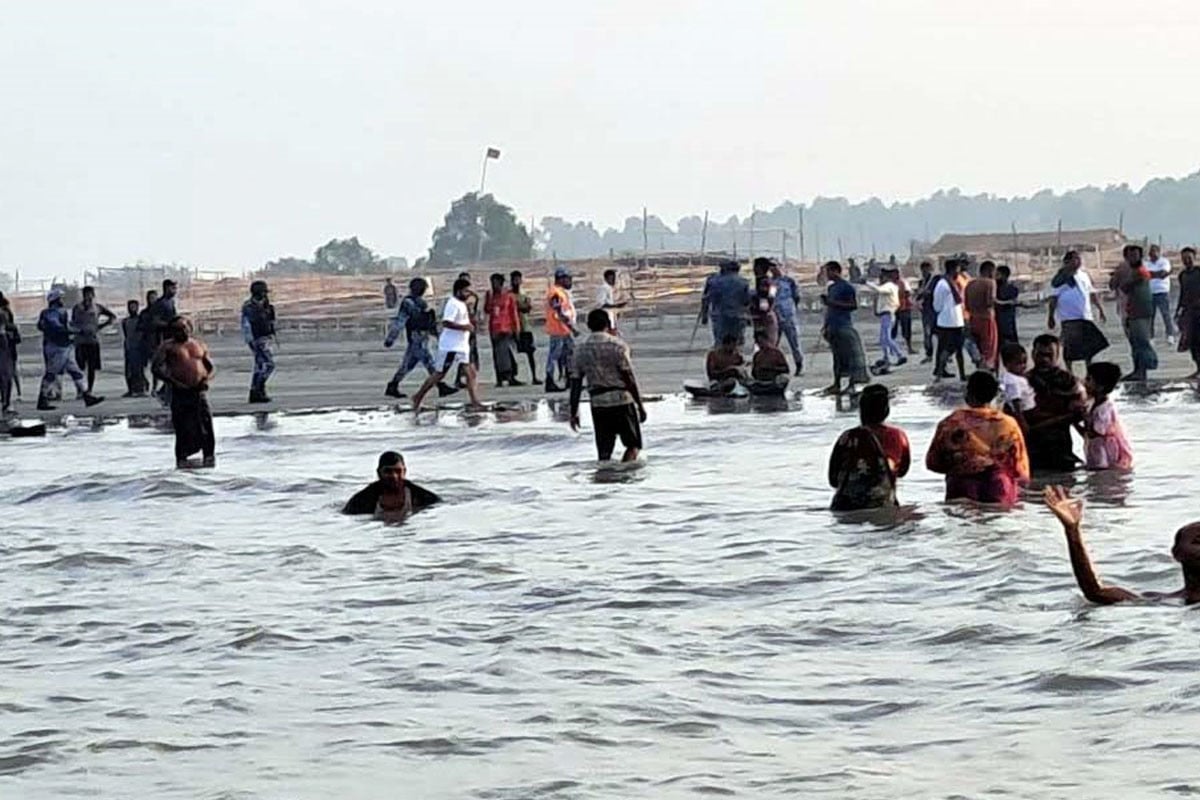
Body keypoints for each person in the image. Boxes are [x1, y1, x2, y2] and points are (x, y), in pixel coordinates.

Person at [1042, 485, 1200, 605]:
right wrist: (1072, 531)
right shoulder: (1159, 600)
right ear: (1176, 554)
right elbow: (1095, 592)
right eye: (1198, 541)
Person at [925, 371, 1030, 506]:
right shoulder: (1008, 424)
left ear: (968, 393)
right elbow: (1020, 470)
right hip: (999, 487)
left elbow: (933, 462)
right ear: (993, 395)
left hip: (961, 487)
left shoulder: (951, 423)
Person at [568, 308, 647, 462]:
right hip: (621, 400)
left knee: (604, 452)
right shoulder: (618, 345)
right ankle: (625, 474)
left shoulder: (580, 349)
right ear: (608, 324)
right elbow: (628, 377)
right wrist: (640, 404)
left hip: (598, 402)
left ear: (588, 325)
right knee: (633, 445)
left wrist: (573, 412)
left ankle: (605, 478)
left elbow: (575, 382)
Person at [827, 384, 911, 511]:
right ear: (886, 410)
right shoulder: (898, 437)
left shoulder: (847, 437)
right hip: (882, 506)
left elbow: (833, 479)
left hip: (845, 507)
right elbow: (902, 471)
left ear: (861, 410)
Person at [411, 278, 483, 413]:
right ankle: (418, 396)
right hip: (451, 346)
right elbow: (447, 323)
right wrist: (465, 327)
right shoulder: (453, 304)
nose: (468, 294)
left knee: (471, 373)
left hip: (461, 345)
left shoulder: (461, 304)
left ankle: (475, 401)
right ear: (459, 291)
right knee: (439, 374)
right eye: (466, 291)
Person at [151, 316, 215, 469]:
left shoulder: (198, 344)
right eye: (178, 329)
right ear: (173, 332)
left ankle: (209, 460)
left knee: (206, 427)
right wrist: (173, 382)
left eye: (185, 328)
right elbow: (156, 368)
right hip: (180, 392)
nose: (183, 332)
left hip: (198, 391)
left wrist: (206, 379)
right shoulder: (167, 347)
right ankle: (182, 462)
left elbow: (211, 367)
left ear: (190, 328)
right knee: (182, 428)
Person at [384, 277, 456, 399]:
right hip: (416, 337)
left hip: (421, 336)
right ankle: (440, 385)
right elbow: (400, 322)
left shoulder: (420, 303)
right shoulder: (409, 303)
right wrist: (391, 338)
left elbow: (428, 321)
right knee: (429, 362)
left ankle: (393, 385)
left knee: (408, 365)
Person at [1024, 334, 1087, 472]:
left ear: (1058, 355)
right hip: (1031, 447)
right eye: (1040, 354)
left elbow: (1080, 412)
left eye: (1049, 355)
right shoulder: (1023, 381)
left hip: (1060, 446)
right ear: (1033, 354)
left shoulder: (1069, 380)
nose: (1044, 359)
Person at [36, 289, 103, 411]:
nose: (62, 300)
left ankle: (86, 396)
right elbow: (57, 327)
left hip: (63, 346)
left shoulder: (50, 313)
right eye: (60, 298)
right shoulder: (53, 313)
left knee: (76, 372)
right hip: (57, 347)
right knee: (51, 373)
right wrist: (75, 331)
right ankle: (42, 398)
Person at [1047, 250, 1109, 371]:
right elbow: (1053, 299)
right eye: (1074, 259)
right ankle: (1069, 371)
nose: (1078, 261)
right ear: (1067, 262)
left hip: (1085, 315)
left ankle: (1089, 369)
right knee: (1070, 347)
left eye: (1079, 259)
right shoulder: (1060, 279)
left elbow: (1092, 294)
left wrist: (1100, 309)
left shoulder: (1084, 275)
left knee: (1089, 346)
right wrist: (1051, 316)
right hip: (1069, 317)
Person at [820, 260, 869, 395]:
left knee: (850, 356)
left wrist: (832, 303)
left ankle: (852, 384)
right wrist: (825, 325)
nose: (827, 274)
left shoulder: (847, 287)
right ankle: (836, 384)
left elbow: (853, 305)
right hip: (833, 326)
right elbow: (829, 309)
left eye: (829, 271)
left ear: (836, 271)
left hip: (844, 325)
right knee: (837, 357)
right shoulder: (831, 288)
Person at [342, 451, 442, 516]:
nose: (394, 476)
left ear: (405, 472)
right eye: (388, 471)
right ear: (379, 473)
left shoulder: (421, 496)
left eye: (398, 471)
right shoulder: (362, 500)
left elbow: (437, 507)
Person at [1077, 361, 1133, 471]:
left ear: (1100, 387)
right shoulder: (1096, 404)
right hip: (1098, 454)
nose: (1084, 382)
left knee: (1101, 480)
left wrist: (1079, 420)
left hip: (1103, 457)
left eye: (1088, 379)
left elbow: (1094, 433)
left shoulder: (1103, 410)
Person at [1116, 244, 1158, 382]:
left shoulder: (1140, 272)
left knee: (1141, 342)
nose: (1134, 257)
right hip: (1132, 312)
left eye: (1136, 255)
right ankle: (1138, 371)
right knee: (1135, 342)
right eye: (1131, 255)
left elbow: (1125, 287)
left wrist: (1122, 278)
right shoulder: (1132, 271)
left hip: (1141, 312)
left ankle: (1142, 370)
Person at [69, 286, 116, 394]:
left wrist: (101, 326)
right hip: (80, 341)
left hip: (93, 340)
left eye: (90, 294)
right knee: (80, 366)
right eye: (86, 294)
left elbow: (112, 316)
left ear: (93, 295)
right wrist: (76, 331)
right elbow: (72, 322)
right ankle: (80, 389)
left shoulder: (97, 308)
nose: (88, 297)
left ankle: (89, 389)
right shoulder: (77, 308)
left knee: (91, 367)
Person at [544, 267, 580, 392]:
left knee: (570, 355)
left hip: (564, 330)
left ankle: (570, 379)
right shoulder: (556, 293)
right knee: (554, 356)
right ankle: (550, 380)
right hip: (558, 330)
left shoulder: (561, 292)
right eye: (568, 279)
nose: (570, 282)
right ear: (561, 279)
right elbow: (559, 313)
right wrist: (572, 328)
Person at [483, 273, 523, 387]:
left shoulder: (508, 296)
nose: (494, 285)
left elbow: (513, 312)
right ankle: (499, 378)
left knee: (507, 353)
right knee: (496, 354)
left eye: (496, 283)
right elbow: (486, 309)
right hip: (494, 328)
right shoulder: (490, 295)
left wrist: (517, 328)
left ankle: (510, 376)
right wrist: (490, 301)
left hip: (506, 327)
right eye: (492, 283)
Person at [701, 260, 751, 348]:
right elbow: (746, 301)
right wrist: (748, 317)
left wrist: (704, 315)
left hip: (720, 315)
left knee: (720, 342)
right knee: (737, 342)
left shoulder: (714, 281)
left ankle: (720, 359)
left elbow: (706, 298)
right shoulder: (743, 282)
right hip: (738, 315)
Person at [240, 279, 276, 403]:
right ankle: (257, 389)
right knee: (268, 365)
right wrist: (250, 340)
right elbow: (246, 325)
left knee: (260, 365)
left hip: (264, 337)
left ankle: (257, 391)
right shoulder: (249, 307)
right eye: (264, 292)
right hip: (257, 339)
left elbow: (270, 321)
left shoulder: (265, 305)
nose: (265, 294)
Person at [932, 259, 967, 381]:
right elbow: (937, 305)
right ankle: (939, 374)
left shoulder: (954, 283)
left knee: (959, 350)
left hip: (957, 320)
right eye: (957, 268)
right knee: (947, 349)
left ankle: (962, 375)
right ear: (952, 269)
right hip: (946, 322)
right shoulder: (942, 284)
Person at [768, 261, 804, 375]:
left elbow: (796, 296)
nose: (775, 269)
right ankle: (772, 366)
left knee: (794, 343)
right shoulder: (772, 283)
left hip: (788, 314)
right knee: (773, 343)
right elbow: (771, 297)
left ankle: (799, 364)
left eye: (776, 267)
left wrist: (793, 307)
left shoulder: (788, 281)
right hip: (776, 315)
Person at [869, 266, 906, 372]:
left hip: (888, 314)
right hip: (885, 315)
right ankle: (887, 357)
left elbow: (878, 289)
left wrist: (867, 283)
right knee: (883, 338)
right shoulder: (889, 287)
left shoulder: (889, 286)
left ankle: (899, 355)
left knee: (887, 338)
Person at [964, 261, 998, 371]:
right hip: (986, 318)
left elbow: (967, 305)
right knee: (988, 348)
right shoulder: (990, 283)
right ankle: (986, 370)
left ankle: (980, 367)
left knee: (977, 346)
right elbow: (990, 302)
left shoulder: (970, 284)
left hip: (973, 318)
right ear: (989, 271)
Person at [999, 341, 1035, 435]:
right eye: (1018, 363)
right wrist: (1023, 422)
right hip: (1024, 414)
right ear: (1007, 364)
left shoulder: (1018, 377)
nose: (1023, 366)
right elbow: (1016, 404)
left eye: (1024, 362)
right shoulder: (1013, 381)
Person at [510, 270, 540, 384]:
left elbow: (527, 308)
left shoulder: (523, 294)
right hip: (513, 327)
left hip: (525, 327)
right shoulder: (509, 295)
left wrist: (520, 306)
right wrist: (521, 306)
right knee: (512, 353)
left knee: (530, 352)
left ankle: (534, 376)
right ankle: (512, 376)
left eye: (518, 279)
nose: (516, 282)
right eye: (514, 279)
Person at [1175, 247, 1200, 378]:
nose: (1187, 261)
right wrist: (1178, 310)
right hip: (1189, 312)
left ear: (1194, 258)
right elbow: (1182, 294)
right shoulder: (1182, 275)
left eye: (1189, 258)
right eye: (1184, 258)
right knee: (1192, 342)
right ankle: (1198, 368)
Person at [1145, 243, 1174, 343]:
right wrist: (1157, 274)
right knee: (1150, 316)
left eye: (1154, 251)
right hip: (1150, 292)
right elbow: (1144, 276)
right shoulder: (1146, 263)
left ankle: (1170, 335)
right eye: (1151, 251)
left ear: (1158, 252)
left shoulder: (1164, 262)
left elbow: (1163, 274)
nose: (1152, 253)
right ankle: (1151, 337)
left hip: (1162, 291)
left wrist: (1151, 274)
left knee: (1165, 315)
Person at [120, 299, 148, 397]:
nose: (132, 309)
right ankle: (131, 389)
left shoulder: (141, 320)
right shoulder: (125, 321)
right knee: (129, 370)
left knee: (138, 370)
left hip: (138, 348)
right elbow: (126, 334)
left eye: (134, 307)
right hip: (129, 347)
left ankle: (140, 389)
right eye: (130, 307)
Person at [750, 257, 780, 348]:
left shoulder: (763, 282)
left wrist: (762, 311)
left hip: (763, 317)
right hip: (767, 314)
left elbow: (765, 299)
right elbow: (772, 296)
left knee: (764, 343)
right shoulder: (771, 282)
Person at [913, 261, 938, 364]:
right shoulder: (921, 282)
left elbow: (935, 293)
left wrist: (925, 292)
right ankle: (929, 354)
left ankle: (945, 354)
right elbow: (919, 296)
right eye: (923, 270)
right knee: (927, 334)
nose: (924, 272)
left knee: (939, 333)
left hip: (935, 310)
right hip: (926, 311)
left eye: (926, 270)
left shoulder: (935, 280)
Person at [138, 289, 160, 395]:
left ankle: (154, 388)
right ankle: (146, 384)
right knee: (142, 366)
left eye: (154, 298)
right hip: (146, 342)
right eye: (151, 298)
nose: (152, 300)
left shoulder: (160, 312)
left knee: (155, 367)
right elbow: (139, 326)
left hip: (157, 342)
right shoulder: (144, 313)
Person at [994, 265, 1021, 345]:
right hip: (999, 322)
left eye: (997, 275)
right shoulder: (995, 287)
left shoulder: (1011, 289)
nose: (995, 277)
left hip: (1006, 323)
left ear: (1004, 275)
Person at [891, 267, 914, 355]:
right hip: (895, 309)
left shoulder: (903, 282)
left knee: (906, 330)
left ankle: (909, 347)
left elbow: (907, 293)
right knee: (893, 330)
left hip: (904, 308)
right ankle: (892, 348)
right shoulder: (891, 284)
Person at [0, 291, 16, 414]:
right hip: (4, 342)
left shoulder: (4, 312)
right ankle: (6, 403)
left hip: (4, 343)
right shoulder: (4, 312)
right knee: (6, 374)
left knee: (5, 375)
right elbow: (11, 326)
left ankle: (6, 402)